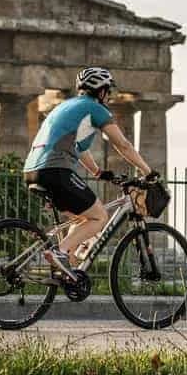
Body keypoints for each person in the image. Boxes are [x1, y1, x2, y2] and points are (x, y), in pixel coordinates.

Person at [22, 67, 157, 280]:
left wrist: (98, 171)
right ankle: (60, 251)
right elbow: (123, 144)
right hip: (57, 170)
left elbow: (78, 147)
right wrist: (148, 172)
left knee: (83, 220)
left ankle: (68, 273)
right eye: (108, 90)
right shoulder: (95, 109)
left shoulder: (66, 106)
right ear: (101, 91)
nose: (109, 95)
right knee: (100, 216)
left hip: (33, 171)